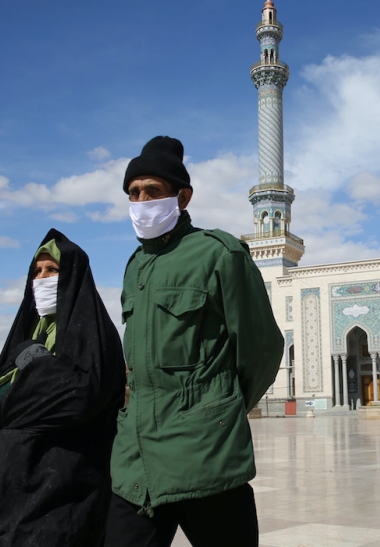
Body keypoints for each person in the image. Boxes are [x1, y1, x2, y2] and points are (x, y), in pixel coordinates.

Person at [105, 136, 283, 546]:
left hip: (206, 457)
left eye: (153, 191)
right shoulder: (137, 266)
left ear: (182, 198)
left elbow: (261, 349)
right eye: (133, 193)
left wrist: (217, 408)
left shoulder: (218, 254)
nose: (141, 200)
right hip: (137, 461)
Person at [0, 229, 126, 547]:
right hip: (1, 499)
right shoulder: (24, 337)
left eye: (52, 270)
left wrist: (33, 368)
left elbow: (80, 397)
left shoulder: (94, 337)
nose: (43, 278)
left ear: (73, 275)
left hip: (61, 498)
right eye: (37, 271)